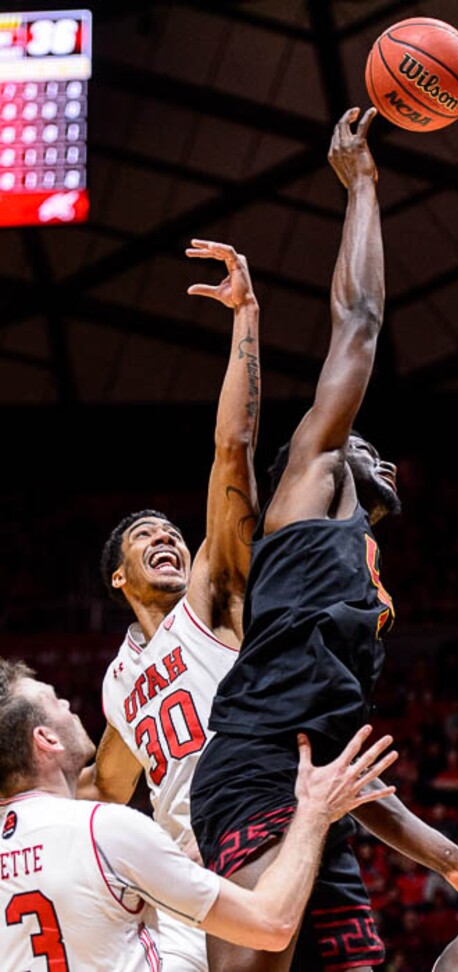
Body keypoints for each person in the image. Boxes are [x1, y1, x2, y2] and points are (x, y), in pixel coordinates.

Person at [190, 105, 458, 972]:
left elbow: (352, 772)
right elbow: (358, 324)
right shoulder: (310, 482)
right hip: (254, 766)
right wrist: (363, 188)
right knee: (259, 957)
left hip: (318, 786)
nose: (379, 449)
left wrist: (454, 861)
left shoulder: (356, 574)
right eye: (365, 440)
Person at [78, 238, 262, 969]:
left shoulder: (211, 599)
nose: (167, 538)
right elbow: (104, 783)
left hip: (253, 836)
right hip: (183, 883)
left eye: (173, 533)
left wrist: (246, 317)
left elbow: (230, 451)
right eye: (144, 536)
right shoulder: (118, 681)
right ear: (118, 579)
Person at [0, 657, 398, 971]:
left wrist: (179, 858)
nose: (68, 705)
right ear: (46, 738)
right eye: (55, 700)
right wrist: (313, 810)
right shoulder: (103, 828)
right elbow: (271, 924)